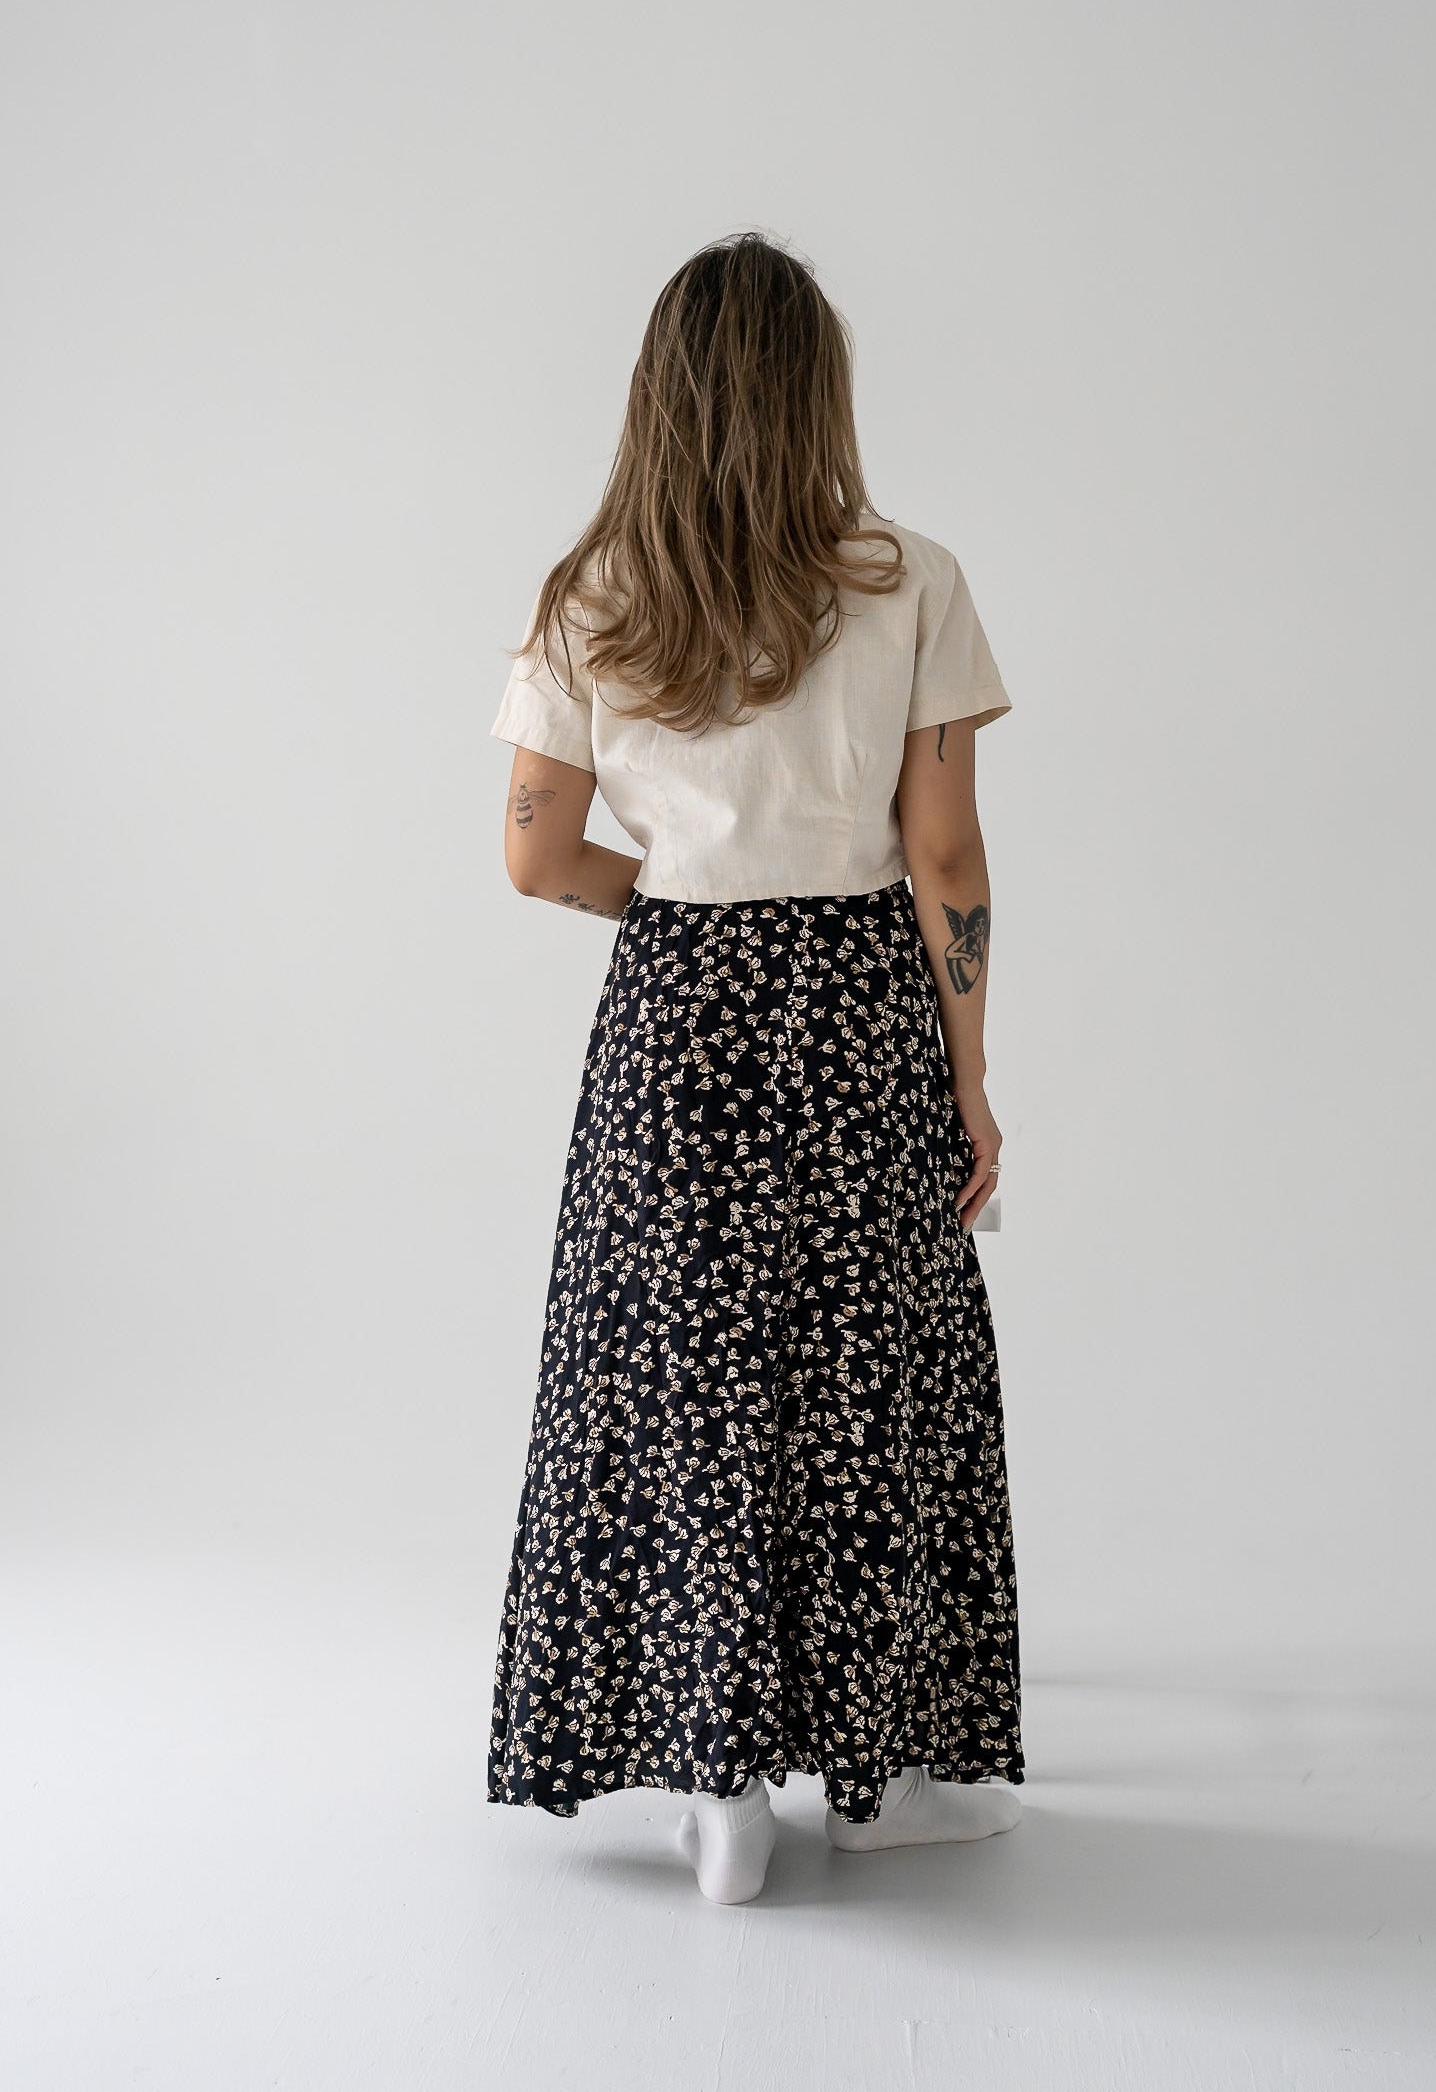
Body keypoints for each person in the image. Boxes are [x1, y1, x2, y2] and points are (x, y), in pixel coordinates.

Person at [485, 231, 1026, 1904]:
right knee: (865, 1374)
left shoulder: (594, 595)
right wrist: (971, 1072)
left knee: (683, 1372)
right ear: (819, 395)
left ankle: (717, 1792)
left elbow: (529, 853)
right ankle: (870, 1778)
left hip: (677, 1010)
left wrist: (677, 902)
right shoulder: (910, 576)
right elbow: (942, 856)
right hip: (861, 996)